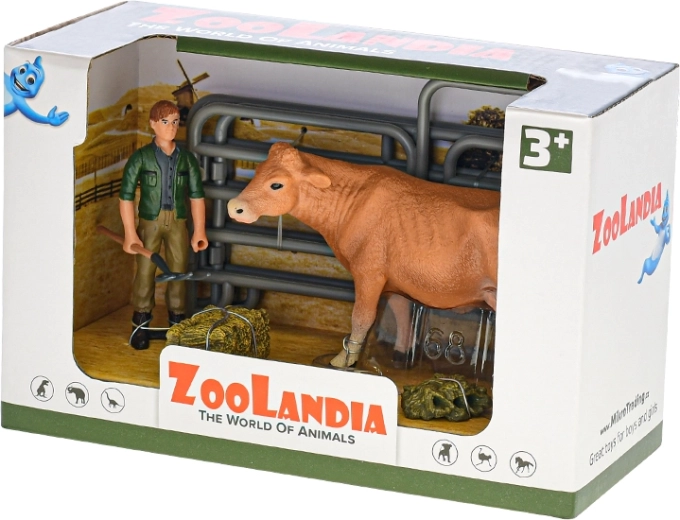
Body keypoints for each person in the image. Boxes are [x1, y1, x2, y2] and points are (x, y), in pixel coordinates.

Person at [119, 100, 208, 349]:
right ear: (153, 124)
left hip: (178, 222)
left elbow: (196, 196)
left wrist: (199, 230)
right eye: (165, 122)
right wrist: (130, 233)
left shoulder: (187, 160)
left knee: (178, 272)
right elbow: (126, 197)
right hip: (150, 223)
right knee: (145, 272)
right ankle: (140, 324)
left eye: (175, 122)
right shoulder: (141, 158)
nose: (171, 127)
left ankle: (177, 324)